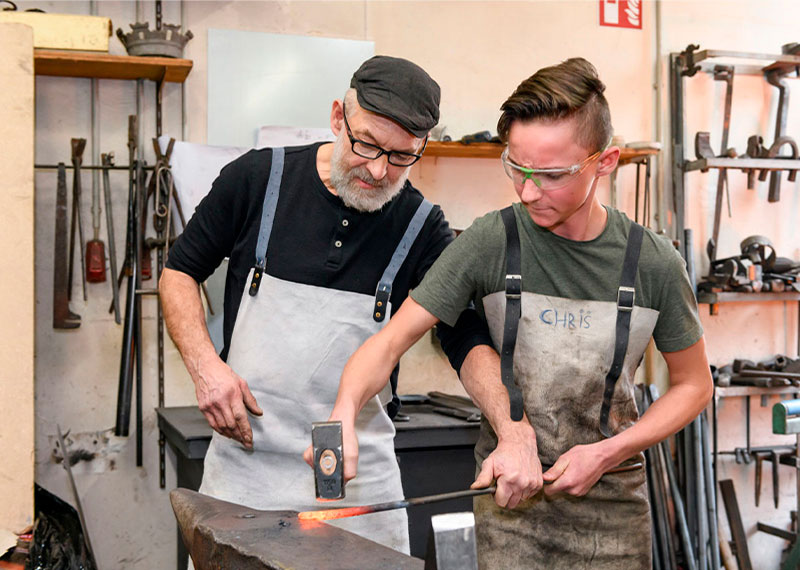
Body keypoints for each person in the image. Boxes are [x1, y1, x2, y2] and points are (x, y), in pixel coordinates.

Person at [309, 57, 713, 568]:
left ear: (605, 162)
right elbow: (390, 341)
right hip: (508, 509)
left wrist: (608, 452)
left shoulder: (653, 262)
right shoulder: (492, 241)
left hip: (612, 518)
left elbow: (694, 385)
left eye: (549, 175)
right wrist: (344, 411)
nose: (527, 191)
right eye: (517, 169)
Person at [160, 55, 493, 553]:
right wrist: (206, 366)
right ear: (338, 117)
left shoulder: (422, 226)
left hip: (361, 484)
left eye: (402, 155)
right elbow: (178, 271)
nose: (380, 170)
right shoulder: (257, 180)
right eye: (367, 145)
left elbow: (463, 334)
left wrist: (511, 431)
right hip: (246, 472)